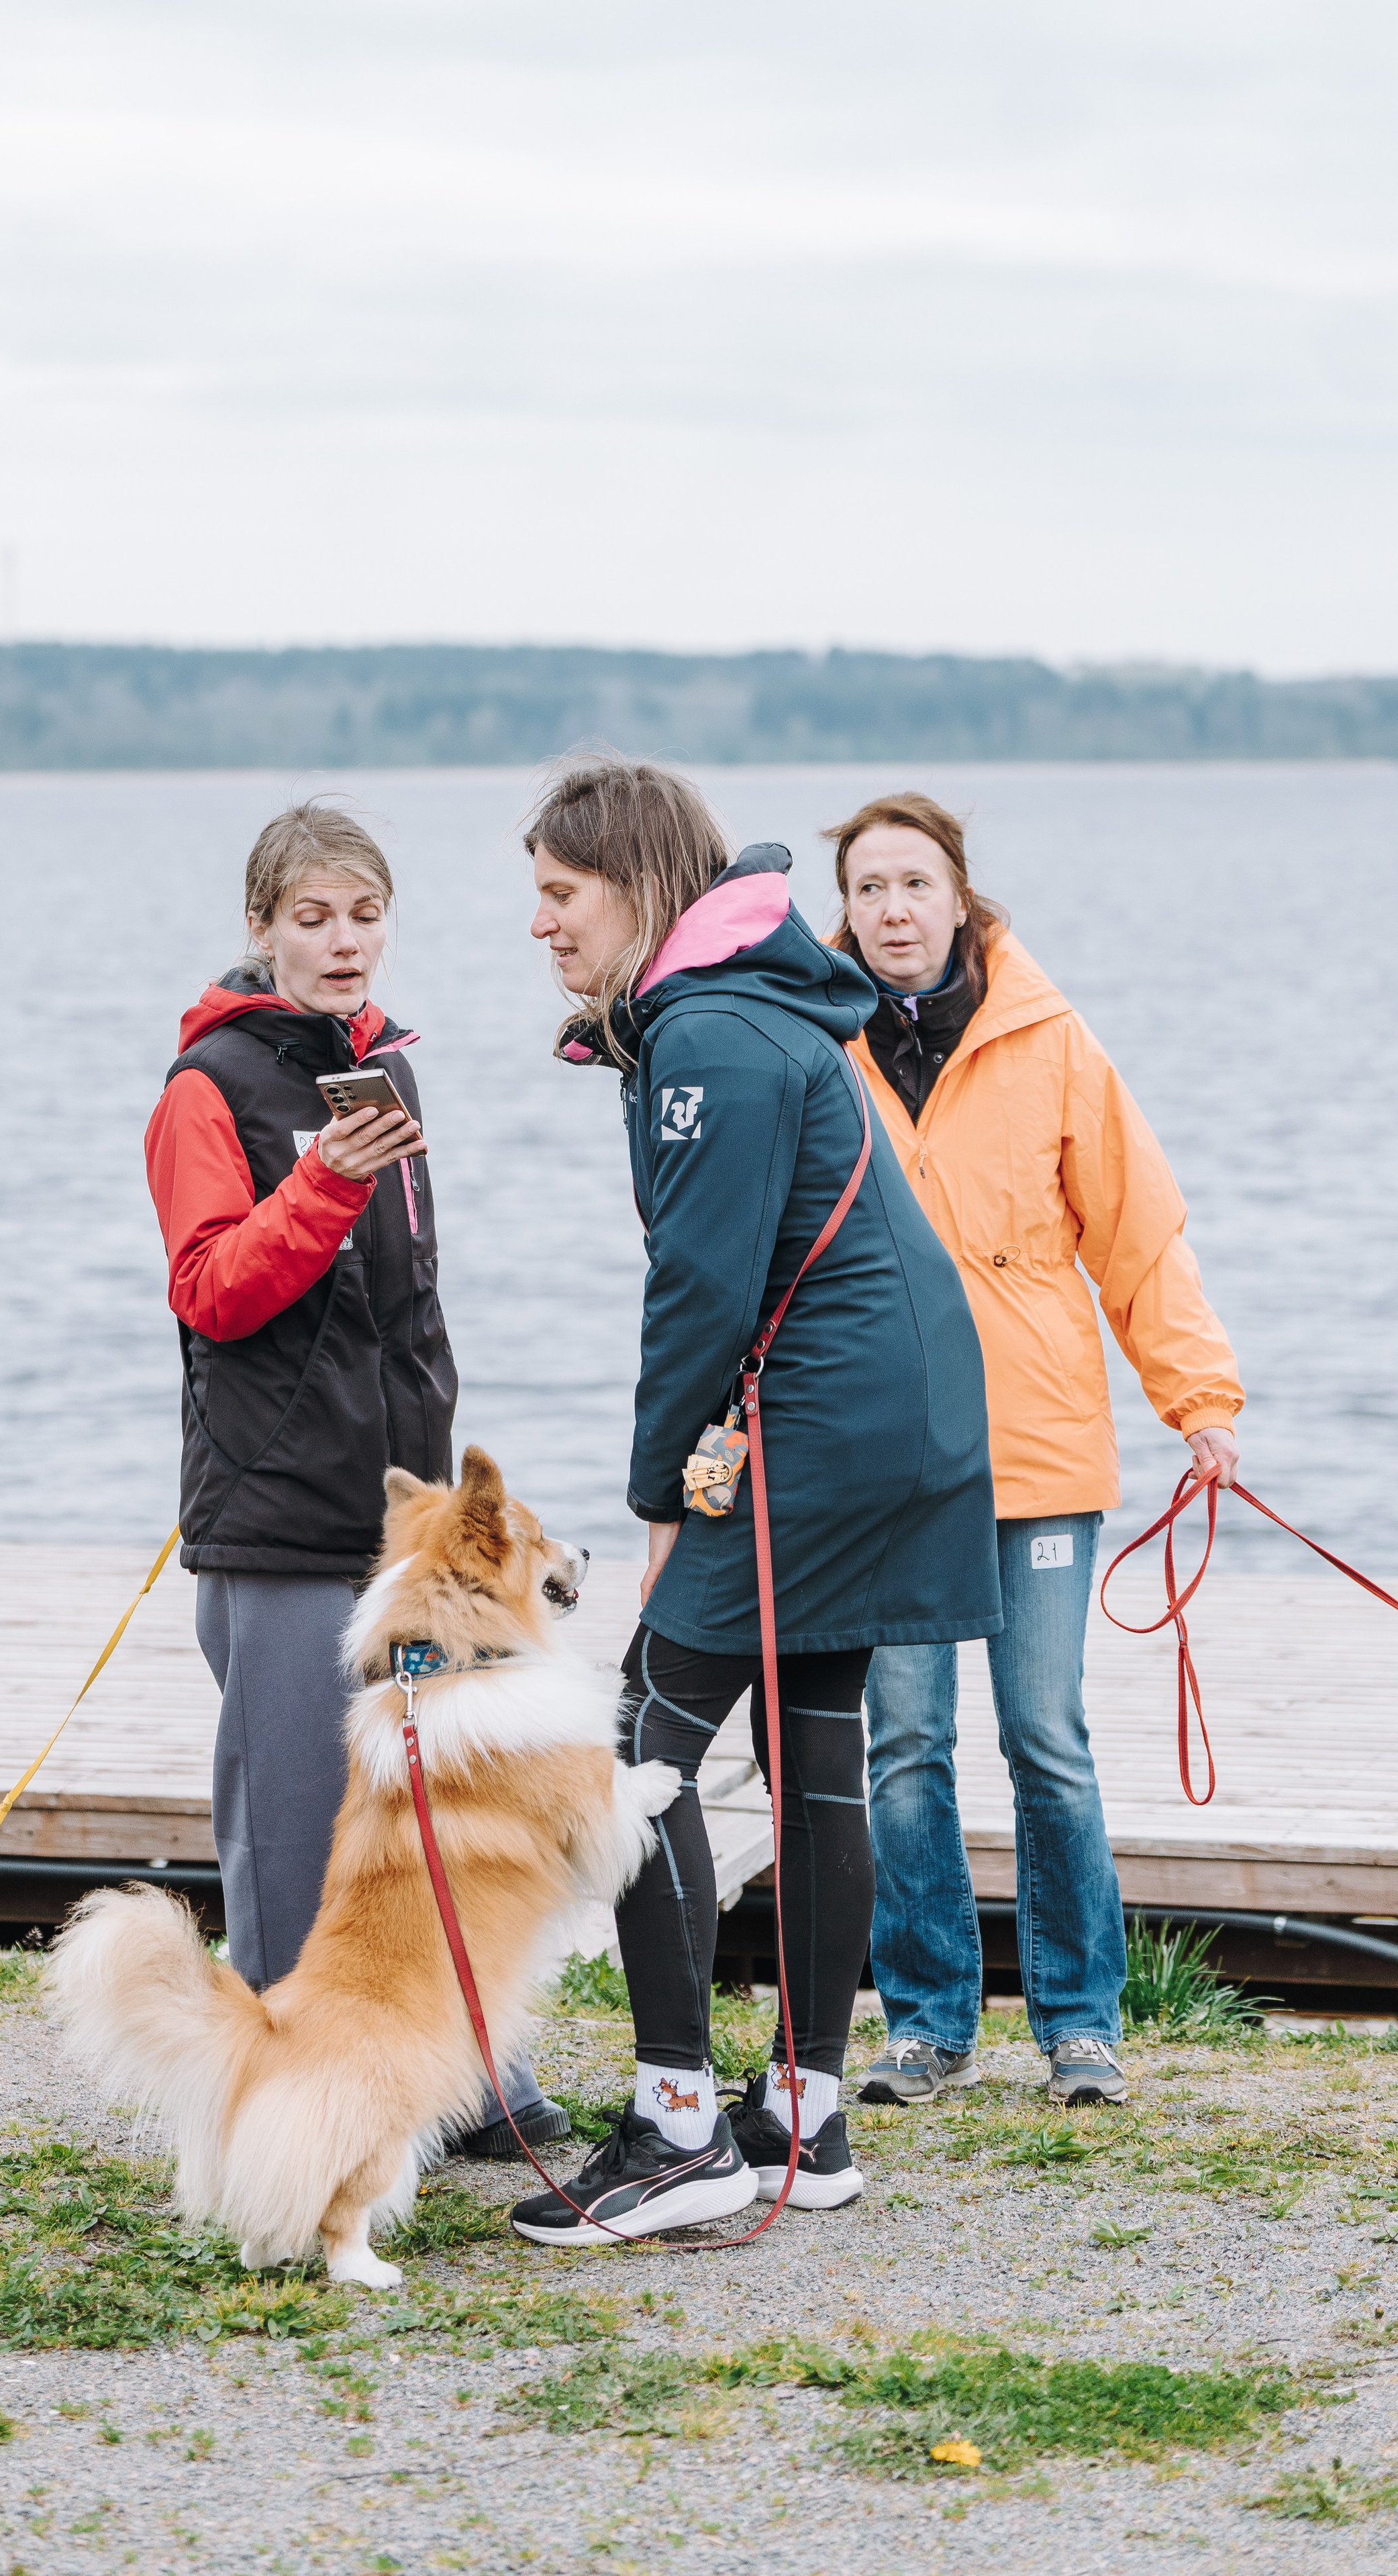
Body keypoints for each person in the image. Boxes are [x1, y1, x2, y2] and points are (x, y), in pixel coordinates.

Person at [507, 756, 1002, 2248]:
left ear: (635, 886)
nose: (536, 924)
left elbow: (702, 1288)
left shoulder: (710, 1032)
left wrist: (661, 1491)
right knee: (815, 1740)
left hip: (826, 1423)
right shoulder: (734, 1005)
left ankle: (676, 2129)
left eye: (556, 892)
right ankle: (802, 2109)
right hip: (900, 1408)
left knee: (631, 1751)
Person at [143, 798, 568, 2159]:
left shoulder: (388, 1070)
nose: (343, 942)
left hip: (403, 1531)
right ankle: (279, 2117)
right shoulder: (204, 1092)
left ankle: (453, 2083)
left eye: (365, 914)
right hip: (272, 1524)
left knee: (430, 1810)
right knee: (287, 1842)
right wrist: (321, 1181)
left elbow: (407, 1303)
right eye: (313, 917)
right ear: (260, 928)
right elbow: (210, 1292)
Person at [828, 793, 1244, 2109]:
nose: (890, 908)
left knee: (1044, 1732)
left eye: (911, 882)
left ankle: (1077, 2017)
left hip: (1038, 1444)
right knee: (900, 1744)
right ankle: (926, 2018)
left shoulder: (1049, 1038)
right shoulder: (811, 1040)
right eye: (866, 887)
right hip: (881, 1460)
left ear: (957, 897)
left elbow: (1135, 1235)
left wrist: (1198, 1399)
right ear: (843, 910)